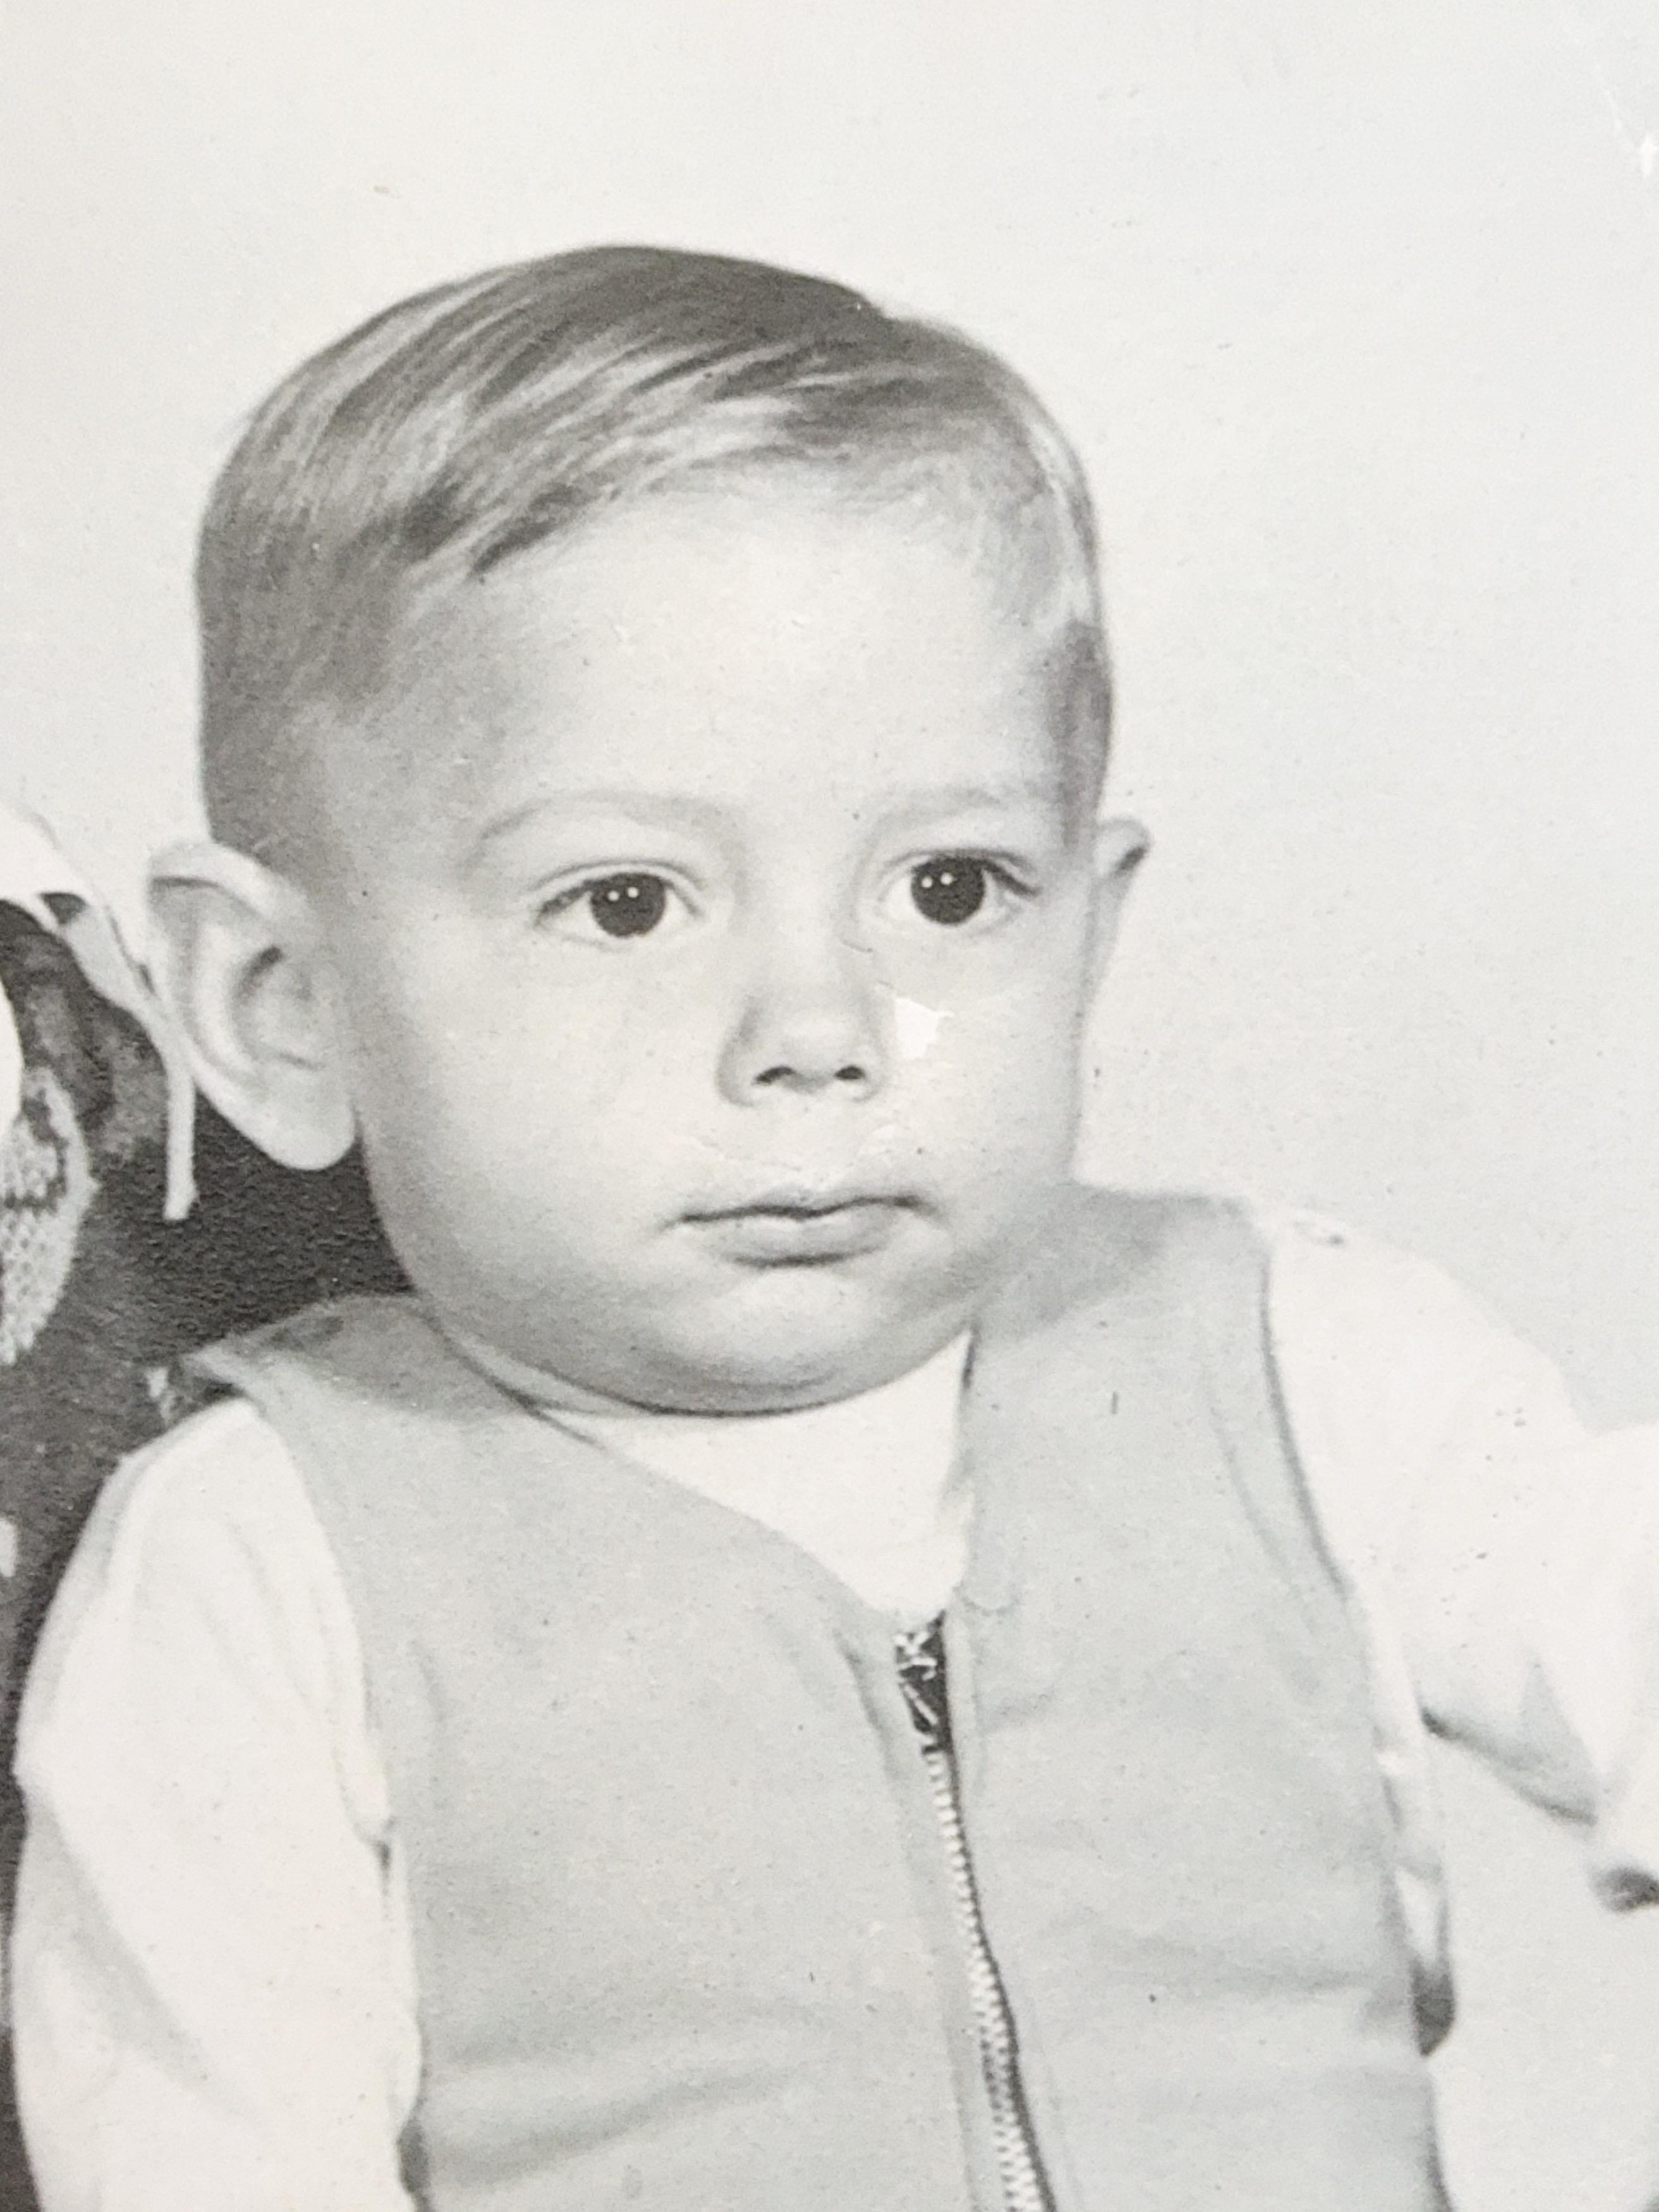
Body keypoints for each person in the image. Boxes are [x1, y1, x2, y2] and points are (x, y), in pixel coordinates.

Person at [8, 246, 1659, 2212]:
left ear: (1091, 929)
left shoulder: (1302, 1360)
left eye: (949, 886)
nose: (818, 1032)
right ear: (280, 1003)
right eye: (624, 901)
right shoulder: (260, 1558)